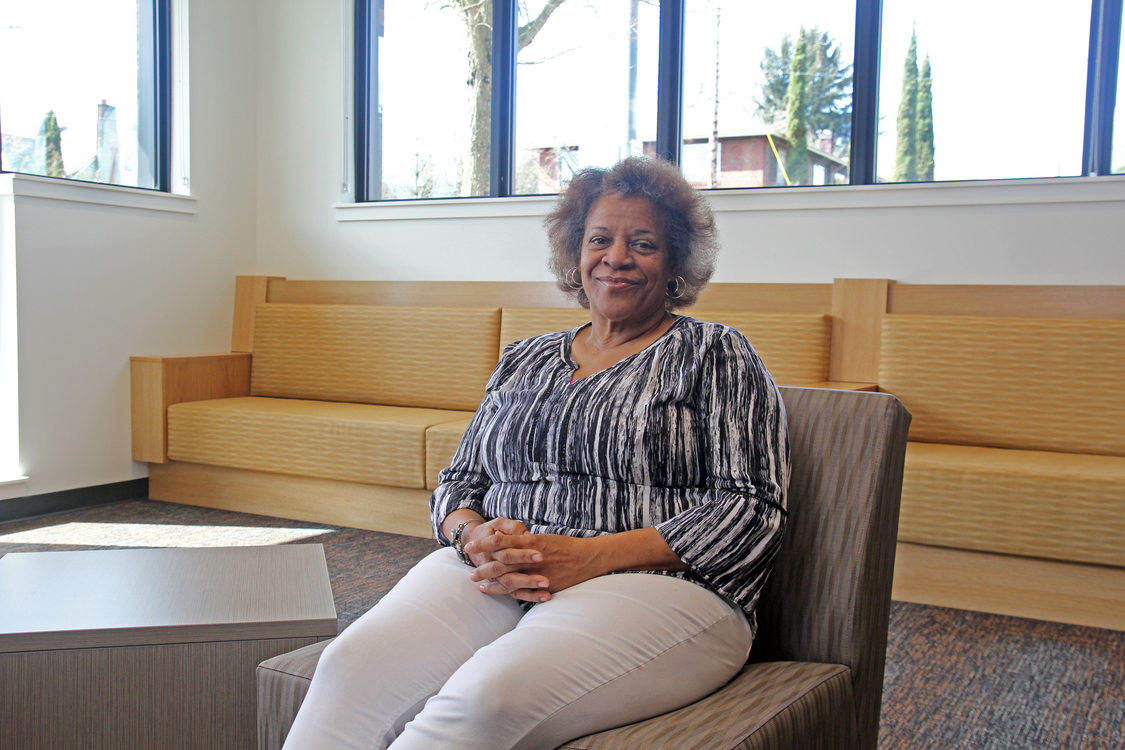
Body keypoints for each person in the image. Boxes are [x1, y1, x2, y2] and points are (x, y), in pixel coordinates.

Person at [282, 156, 789, 750]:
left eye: (644, 244)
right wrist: (473, 535)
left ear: (676, 262)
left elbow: (752, 511)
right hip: (499, 571)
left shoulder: (716, 353)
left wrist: (588, 556)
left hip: (657, 584)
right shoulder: (525, 357)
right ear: (576, 255)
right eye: (600, 239)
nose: (617, 257)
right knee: (350, 666)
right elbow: (461, 479)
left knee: (481, 702)